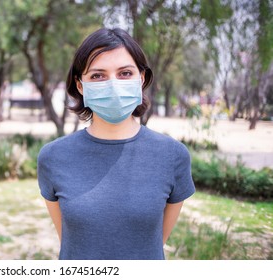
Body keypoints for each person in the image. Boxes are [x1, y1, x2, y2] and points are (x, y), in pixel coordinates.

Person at [37, 27, 195, 260]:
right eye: (98, 76)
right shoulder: (53, 156)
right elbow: (71, 240)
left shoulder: (173, 156)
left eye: (125, 73)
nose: (113, 84)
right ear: (80, 86)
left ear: (141, 78)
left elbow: (153, 244)